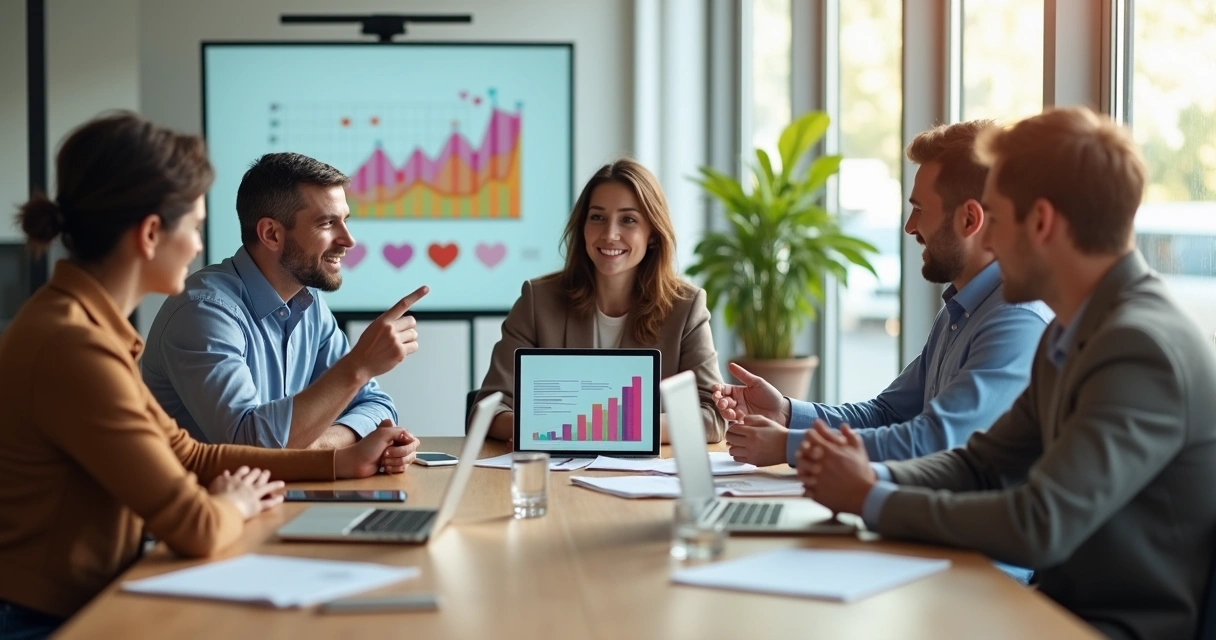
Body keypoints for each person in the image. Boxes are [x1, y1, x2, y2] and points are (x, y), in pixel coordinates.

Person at [796, 107, 1216, 640]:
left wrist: (870, 498)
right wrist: (869, 478)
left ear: (1040, 222)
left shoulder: (1139, 346)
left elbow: (1041, 522)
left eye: (993, 217)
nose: (985, 242)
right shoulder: (1075, 327)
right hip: (1052, 612)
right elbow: (981, 465)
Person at [0, 113, 419, 640]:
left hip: (91, 600)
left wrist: (337, 460)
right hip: (55, 621)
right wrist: (235, 501)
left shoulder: (85, 328)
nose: (200, 246)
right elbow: (196, 524)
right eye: (194, 227)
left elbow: (192, 455)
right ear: (152, 234)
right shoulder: (74, 345)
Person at [713, 120, 1051, 467]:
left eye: (919, 209)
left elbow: (936, 440)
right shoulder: (961, 311)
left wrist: (791, 446)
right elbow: (887, 413)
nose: (909, 227)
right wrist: (786, 412)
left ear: (969, 219)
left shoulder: (1016, 321)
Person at [142, 152, 426, 450]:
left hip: (278, 493)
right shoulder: (202, 312)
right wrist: (359, 366)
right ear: (271, 234)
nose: (348, 240)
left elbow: (377, 407)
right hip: (206, 495)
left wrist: (316, 447)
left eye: (345, 221)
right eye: (328, 223)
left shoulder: (309, 304)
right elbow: (251, 445)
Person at [476, 158, 727, 443]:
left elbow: (712, 417)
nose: (609, 234)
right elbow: (487, 411)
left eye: (628, 220)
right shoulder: (538, 300)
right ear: (582, 226)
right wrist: (556, 430)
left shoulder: (685, 307)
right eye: (597, 217)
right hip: (557, 478)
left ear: (653, 235)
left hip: (644, 481)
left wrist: (614, 428)